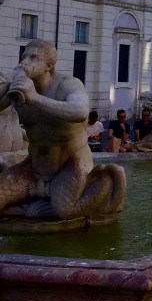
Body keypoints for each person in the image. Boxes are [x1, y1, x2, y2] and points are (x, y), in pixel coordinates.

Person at [0, 40, 124, 218]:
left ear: (49, 66)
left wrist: (35, 98)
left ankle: (105, 182)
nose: (25, 62)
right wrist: (5, 85)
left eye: (33, 57)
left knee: (64, 210)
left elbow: (81, 111)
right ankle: (36, 204)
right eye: (24, 56)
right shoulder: (20, 87)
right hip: (34, 167)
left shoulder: (68, 85)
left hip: (70, 164)